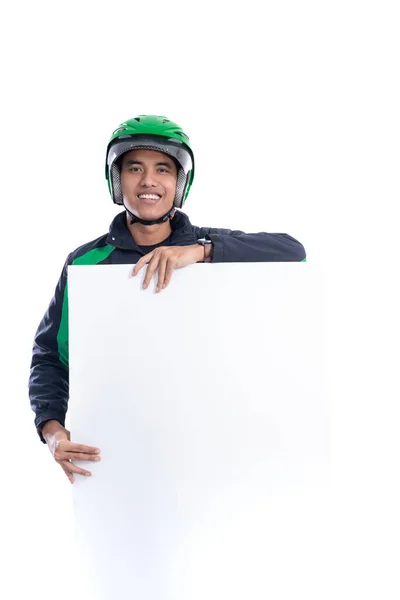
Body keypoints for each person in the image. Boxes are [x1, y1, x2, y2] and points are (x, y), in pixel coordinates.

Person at [29, 114, 306, 484]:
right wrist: (53, 433)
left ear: (179, 183)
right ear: (117, 179)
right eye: (134, 168)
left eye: (163, 169)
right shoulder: (85, 263)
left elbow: (293, 250)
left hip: (217, 452)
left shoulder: (207, 244)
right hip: (115, 454)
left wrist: (200, 252)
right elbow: (50, 355)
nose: (148, 181)